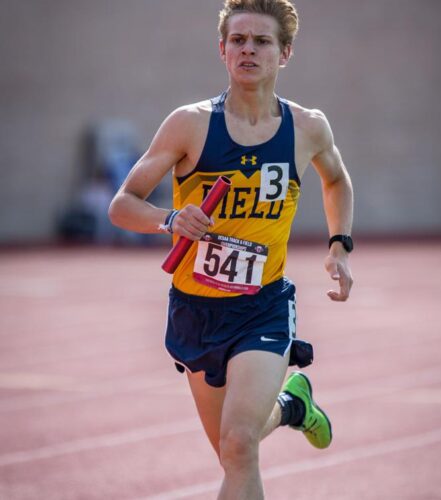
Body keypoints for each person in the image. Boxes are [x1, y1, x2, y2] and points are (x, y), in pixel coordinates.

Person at [108, 0, 354, 498]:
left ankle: (282, 406)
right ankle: (292, 407)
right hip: (196, 309)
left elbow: (337, 181)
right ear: (221, 49)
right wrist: (170, 219)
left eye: (261, 41)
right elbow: (122, 205)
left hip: (262, 306)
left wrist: (339, 245)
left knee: (239, 444)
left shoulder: (307, 128)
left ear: (284, 53)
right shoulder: (189, 124)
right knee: (232, 447)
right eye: (238, 40)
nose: (248, 49)